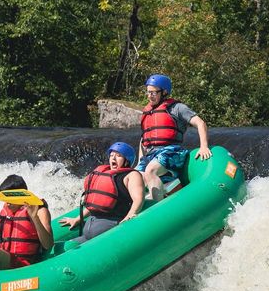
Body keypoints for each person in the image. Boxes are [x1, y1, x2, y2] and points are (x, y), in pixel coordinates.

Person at [137, 74, 211, 202]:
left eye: (153, 92)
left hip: (172, 151)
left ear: (164, 92)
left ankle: (158, 208)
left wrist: (203, 146)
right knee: (134, 177)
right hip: (151, 154)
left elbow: (200, 123)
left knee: (150, 171)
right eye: (148, 92)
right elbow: (143, 140)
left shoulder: (177, 108)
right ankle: (169, 186)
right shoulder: (147, 112)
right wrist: (140, 161)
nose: (149, 96)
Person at [59, 142, 144, 243]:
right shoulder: (103, 172)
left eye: (118, 156)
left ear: (127, 160)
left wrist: (131, 215)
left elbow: (138, 198)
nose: (113, 158)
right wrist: (77, 219)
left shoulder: (132, 175)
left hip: (111, 226)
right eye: (111, 155)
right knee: (67, 248)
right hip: (90, 225)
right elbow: (96, 202)